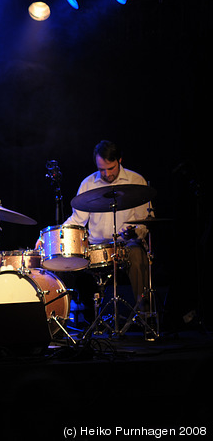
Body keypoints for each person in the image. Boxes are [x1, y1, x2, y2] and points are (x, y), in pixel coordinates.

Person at [59, 140, 152, 327]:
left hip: (128, 245)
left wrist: (134, 233)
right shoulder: (88, 184)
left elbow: (145, 221)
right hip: (96, 247)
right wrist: (54, 237)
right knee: (62, 258)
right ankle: (66, 319)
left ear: (120, 160)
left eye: (110, 168)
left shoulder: (136, 181)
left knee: (138, 256)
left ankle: (145, 315)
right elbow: (76, 220)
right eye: (102, 170)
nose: (107, 174)